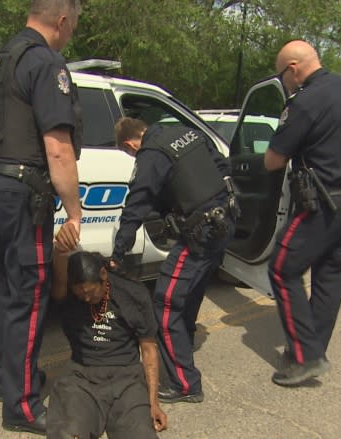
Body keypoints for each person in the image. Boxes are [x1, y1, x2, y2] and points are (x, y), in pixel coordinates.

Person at [0, 0, 83, 434]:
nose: (72, 31)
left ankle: (10, 382)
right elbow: (57, 147)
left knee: (3, 290)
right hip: (22, 194)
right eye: (73, 23)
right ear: (61, 20)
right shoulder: (44, 62)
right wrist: (74, 211)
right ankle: (21, 406)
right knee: (28, 296)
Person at [264, 40, 341, 386]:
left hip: (323, 204)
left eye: (282, 75)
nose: (284, 82)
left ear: (293, 69)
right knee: (330, 281)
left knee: (282, 270)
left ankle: (305, 357)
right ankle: (311, 351)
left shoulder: (303, 101)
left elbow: (273, 160)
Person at [111, 117, 236, 403]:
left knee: (165, 304)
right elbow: (222, 167)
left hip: (200, 231)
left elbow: (136, 206)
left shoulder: (151, 154)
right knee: (188, 295)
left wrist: (118, 253)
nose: (133, 156)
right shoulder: (185, 132)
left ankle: (184, 383)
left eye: (130, 153)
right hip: (225, 220)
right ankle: (183, 346)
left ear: (131, 144)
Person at [47, 223, 167, 438]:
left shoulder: (133, 294)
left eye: (90, 292)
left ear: (103, 275)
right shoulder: (68, 296)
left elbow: (148, 350)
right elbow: (59, 280)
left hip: (126, 376)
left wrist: (153, 403)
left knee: (140, 435)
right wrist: (59, 249)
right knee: (68, 433)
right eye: (79, 293)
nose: (85, 298)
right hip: (81, 375)